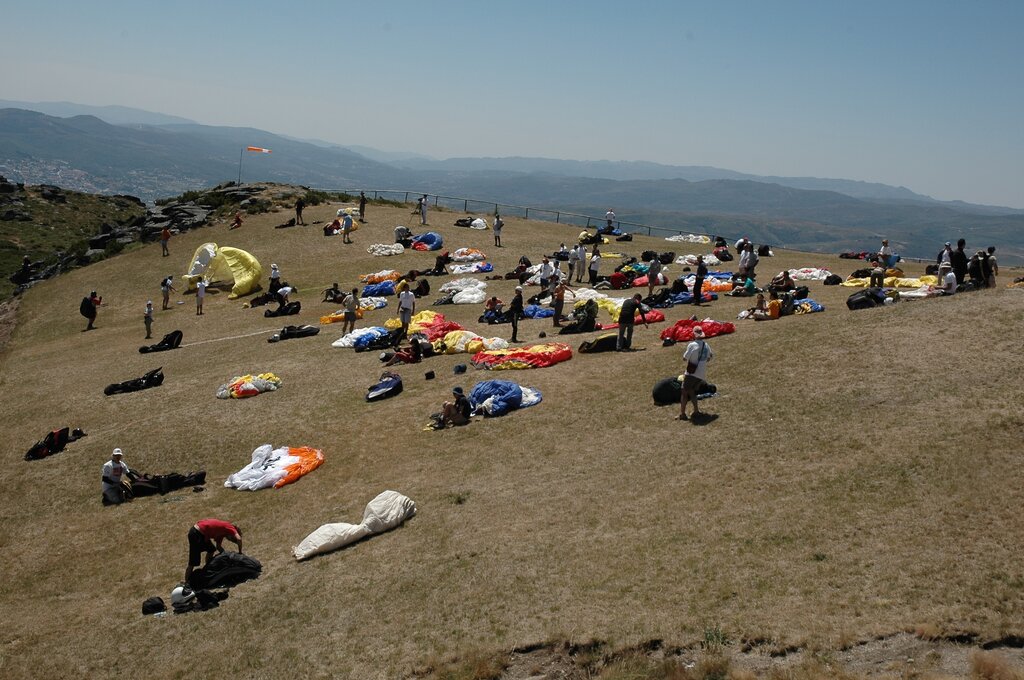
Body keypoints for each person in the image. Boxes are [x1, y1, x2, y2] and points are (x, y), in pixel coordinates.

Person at [185, 519, 242, 586]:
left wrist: (226, 556)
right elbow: (239, 539)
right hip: (197, 533)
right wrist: (240, 552)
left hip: (199, 533)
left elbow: (218, 547)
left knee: (211, 549)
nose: (229, 540)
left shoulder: (221, 533)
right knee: (193, 562)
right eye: (231, 539)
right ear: (232, 534)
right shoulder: (229, 527)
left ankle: (208, 569)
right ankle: (186, 584)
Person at [678, 325, 714, 421]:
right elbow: (710, 356)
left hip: (691, 373)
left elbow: (685, 358)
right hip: (701, 374)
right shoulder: (706, 345)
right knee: (692, 391)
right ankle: (696, 411)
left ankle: (682, 414)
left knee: (684, 392)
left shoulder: (692, 345)